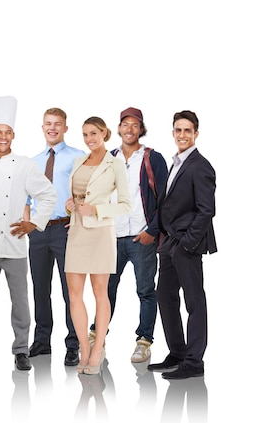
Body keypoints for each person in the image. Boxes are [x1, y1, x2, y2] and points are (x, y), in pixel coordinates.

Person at [0, 96, 57, 372]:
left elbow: (48, 194)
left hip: (16, 245)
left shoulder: (25, 164)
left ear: (14, 135)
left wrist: (35, 223)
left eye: (8, 133)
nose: (3, 137)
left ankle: (21, 350)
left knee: (20, 303)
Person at [89, 107, 168, 363]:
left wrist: (152, 231)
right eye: (125, 124)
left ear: (141, 130)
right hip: (111, 237)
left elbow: (165, 200)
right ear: (119, 128)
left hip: (141, 238)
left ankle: (144, 341)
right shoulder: (107, 158)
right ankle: (96, 336)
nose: (130, 129)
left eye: (135, 125)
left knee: (145, 291)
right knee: (105, 289)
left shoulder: (152, 158)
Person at [148, 110, 216, 380]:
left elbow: (206, 210)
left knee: (194, 301)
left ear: (196, 134)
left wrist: (188, 243)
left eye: (188, 130)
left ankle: (194, 361)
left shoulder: (201, 166)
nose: (182, 135)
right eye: (178, 130)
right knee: (164, 296)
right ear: (173, 132)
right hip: (169, 243)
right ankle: (177, 352)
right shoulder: (175, 162)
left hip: (187, 244)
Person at [64, 116, 131, 375]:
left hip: (101, 232)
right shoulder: (78, 161)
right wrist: (71, 205)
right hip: (77, 230)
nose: (89, 139)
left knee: (100, 292)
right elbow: (76, 194)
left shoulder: (115, 165)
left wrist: (97, 209)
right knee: (74, 294)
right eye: (85, 135)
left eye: (94, 133)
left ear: (104, 133)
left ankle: (99, 347)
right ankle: (84, 346)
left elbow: (126, 204)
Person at [27, 107, 86, 367]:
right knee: (40, 287)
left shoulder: (78, 157)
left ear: (65, 128)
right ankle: (42, 340)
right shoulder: (34, 161)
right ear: (42, 127)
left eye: (57, 124)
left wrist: (79, 222)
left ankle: (73, 343)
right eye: (48, 123)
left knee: (69, 290)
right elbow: (27, 197)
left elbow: (88, 193)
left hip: (66, 229)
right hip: (39, 231)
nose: (52, 128)